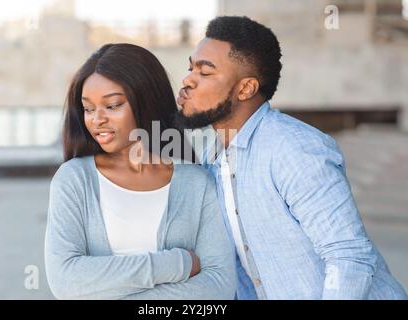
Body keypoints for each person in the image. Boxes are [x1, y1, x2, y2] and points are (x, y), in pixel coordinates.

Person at [174, 16, 407, 300]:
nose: (188, 79)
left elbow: (349, 258)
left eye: (204, 72)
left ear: (246, 88)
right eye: (190, 67)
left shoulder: (292, 148)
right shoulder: (216, 155)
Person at [44, 43, 236, 300]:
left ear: (146, 100)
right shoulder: (74, 179)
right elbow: (66, 281)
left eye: (112, 106)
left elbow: (218, 286)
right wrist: (179, 263)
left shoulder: (197, 183)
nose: (97, 119)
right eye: (88, 109)